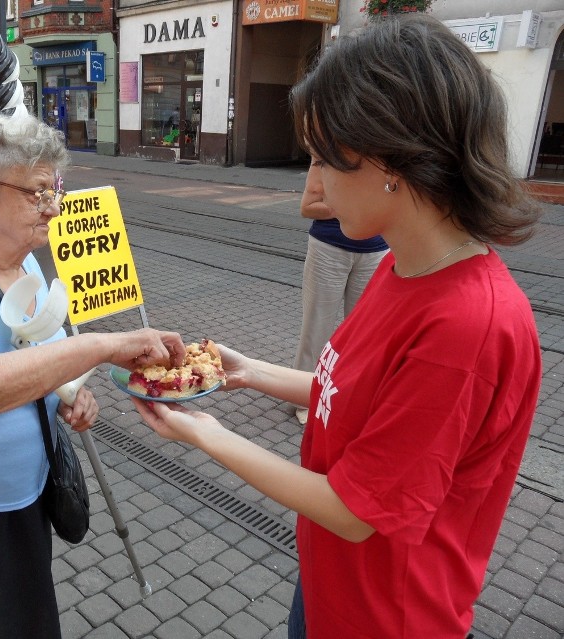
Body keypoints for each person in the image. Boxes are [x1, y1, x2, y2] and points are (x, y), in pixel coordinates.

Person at [130, 14, 542, 639]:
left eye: (324, 158)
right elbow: (350, 393)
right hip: (334, 582)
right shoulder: (404, 265)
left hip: (387, 614)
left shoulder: (466, 326)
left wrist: (207, 437)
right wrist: (250, 372)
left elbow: (356, 511)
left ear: (392, 160)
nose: (313, 188)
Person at [0, 110, 186, 638]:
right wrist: (102, 346)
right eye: (37, 193)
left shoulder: (24, 267)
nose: (56, 206)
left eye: (57, 189)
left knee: (27, 620)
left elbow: (39, 366)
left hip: (25, 491)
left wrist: (71, 396)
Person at [291, 163, 388, 424]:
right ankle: (304, 398)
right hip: (329, 249)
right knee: (317, 328)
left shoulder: (385, 159)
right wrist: (353, 208)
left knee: (363, 333)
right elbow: (307, 208)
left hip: (376, 253)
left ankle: (350, 396)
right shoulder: (327, 155)